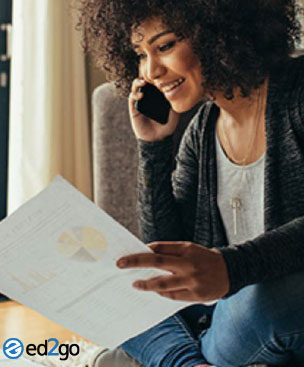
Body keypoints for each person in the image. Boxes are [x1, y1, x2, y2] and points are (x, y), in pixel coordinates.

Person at [77, 0, 304, 366]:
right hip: (223, 325)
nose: (151, 71)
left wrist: (231, 269)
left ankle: (172, 358)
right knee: (113, 289)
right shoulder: (201, 132)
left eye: (165, 46)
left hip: (273, 313)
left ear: (220, 31)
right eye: (140, 54)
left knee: (264, 301)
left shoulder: (298, 93)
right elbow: (163, 259)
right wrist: (153, 147)